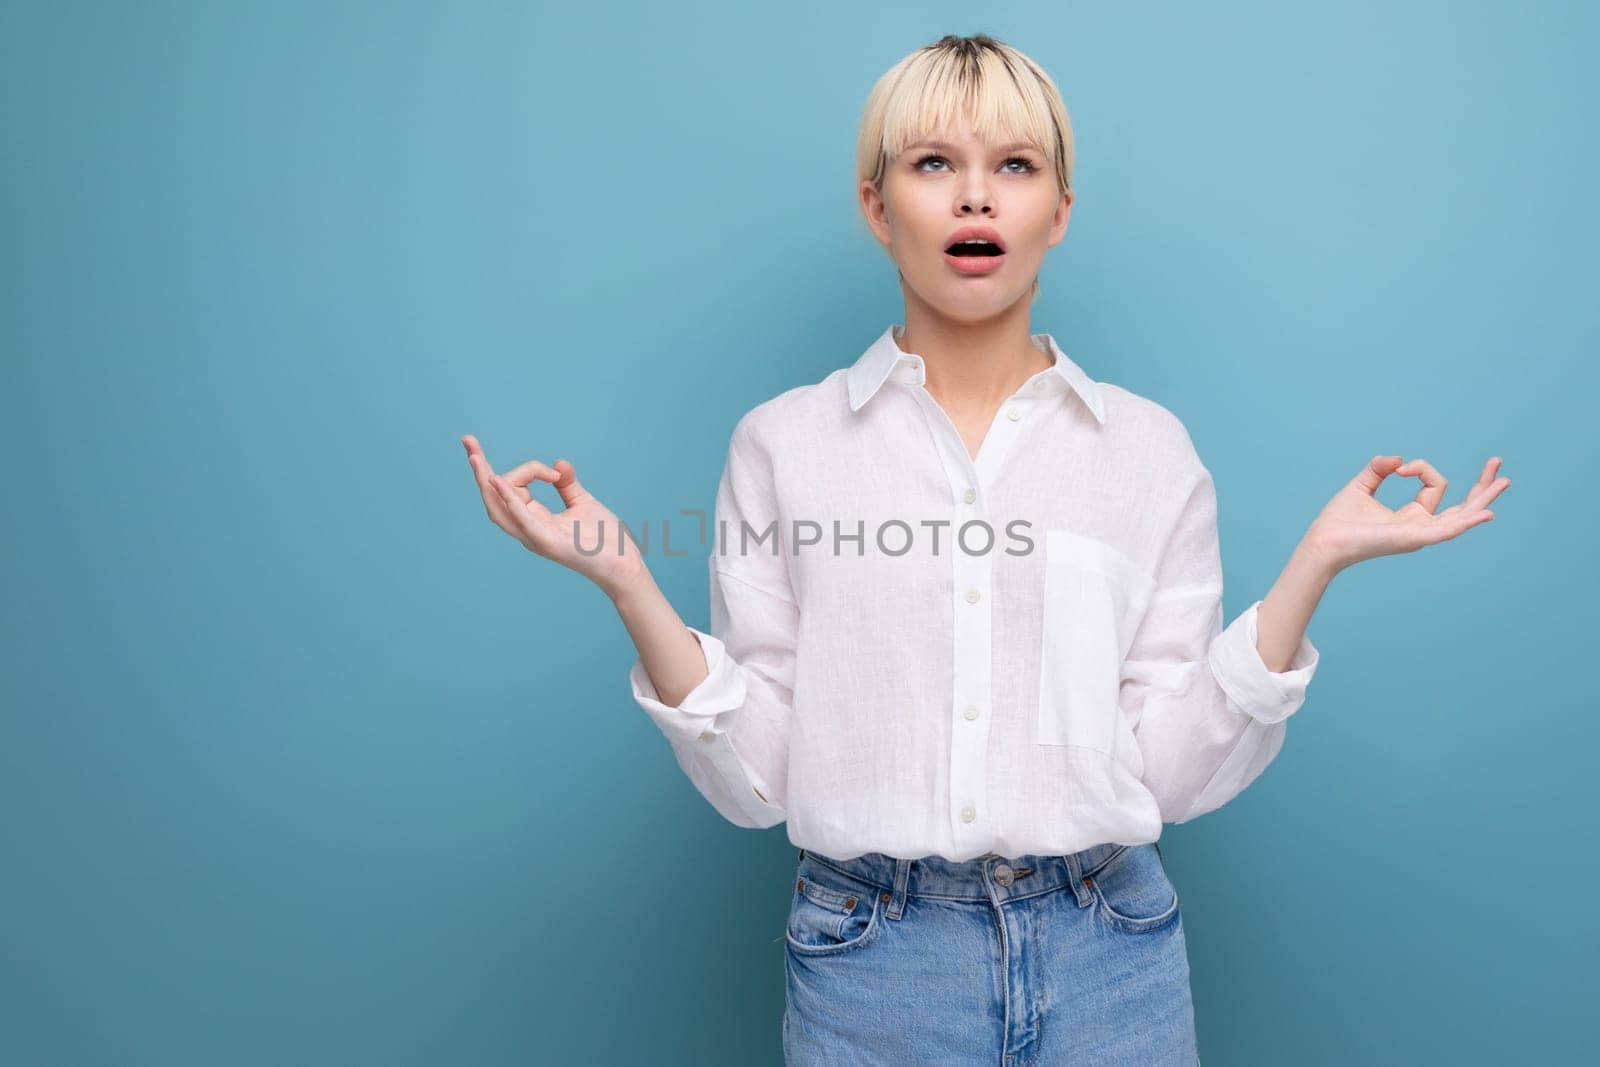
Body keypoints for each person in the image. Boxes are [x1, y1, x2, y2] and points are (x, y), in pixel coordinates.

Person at [462, 31, 1510, 1067]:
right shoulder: (783, 443)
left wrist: (1312, 565)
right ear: (877, 207)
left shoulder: (1147, 452)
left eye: (1014, 166)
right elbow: (766, 775)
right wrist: (627, 579)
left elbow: (1167, 768)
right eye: (933, 165)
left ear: (1058, 210)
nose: (976, 198)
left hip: (1114, 956)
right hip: (869, 964)